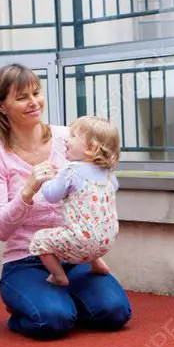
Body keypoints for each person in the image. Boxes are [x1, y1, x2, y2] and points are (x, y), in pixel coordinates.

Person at [0, 63, 132, 340]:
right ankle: (34, 305)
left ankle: (62, 300)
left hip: (73, 252)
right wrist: (28, 190)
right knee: (53, 320)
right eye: (22, 97)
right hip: (25, 259)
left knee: (115, 312)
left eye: (36, 92)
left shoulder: (67, 138)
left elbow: (100, 175)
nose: (34, 102)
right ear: (2, 106)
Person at [29, 115, 120, 286]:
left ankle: (58, 276)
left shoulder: (71, 170)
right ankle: (97, 263)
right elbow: (114, 188)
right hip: (107, 240)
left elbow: (51, 195)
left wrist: (45, 179)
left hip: (80, 241)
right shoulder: (108, 173)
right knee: (91, 226)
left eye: (72, 136)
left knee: (40, 239)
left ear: (90, 148)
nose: (66, 139)